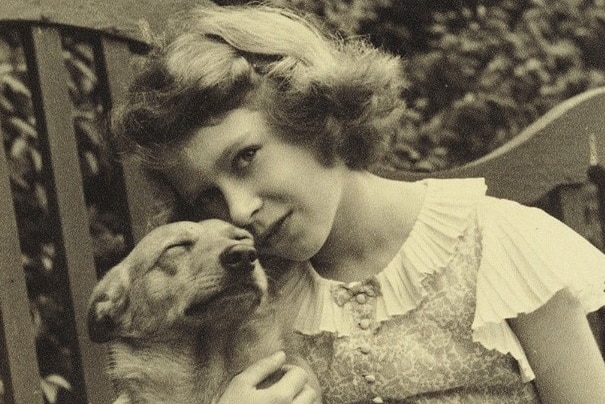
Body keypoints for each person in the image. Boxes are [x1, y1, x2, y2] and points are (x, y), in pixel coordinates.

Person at [111, 3, 605, 403]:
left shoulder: (496, 244)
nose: (238, 211)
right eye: (208, 197)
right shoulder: (251, 297)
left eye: (245, 158)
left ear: (312, 114)